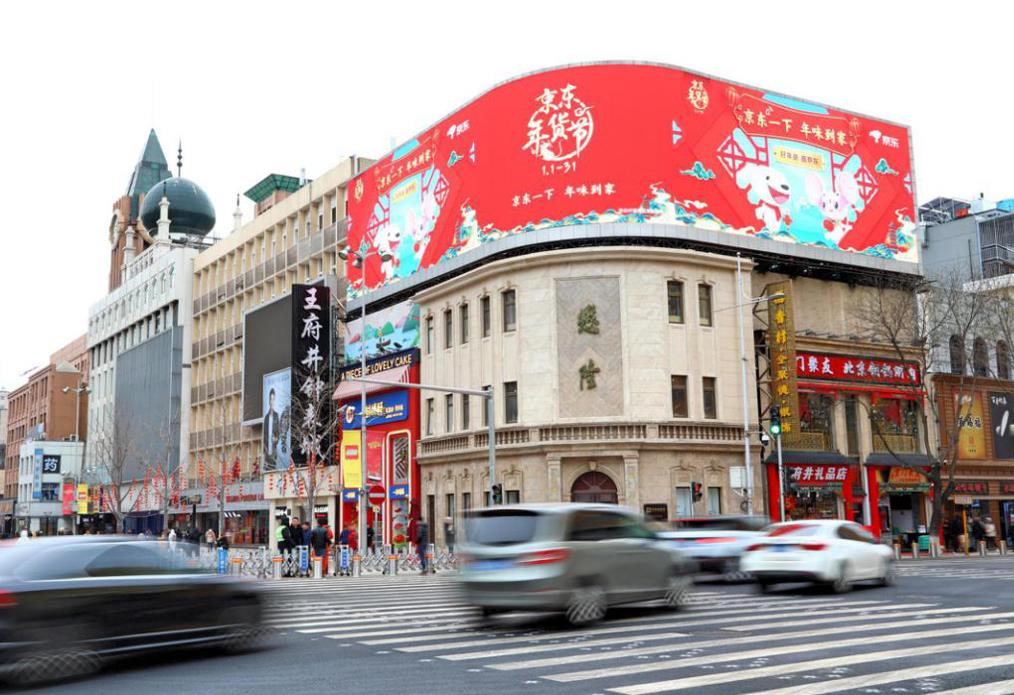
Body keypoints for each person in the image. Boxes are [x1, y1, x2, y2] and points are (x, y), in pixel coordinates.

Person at [263, 388, 280, 470]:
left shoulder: (276, 416)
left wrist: (276, 439)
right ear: (269, 400)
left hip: (273, 449)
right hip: (266, 451)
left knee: (273, 468)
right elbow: (264, 434)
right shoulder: (266, 417)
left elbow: (278, 432)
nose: (272, 401)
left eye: (273, 399)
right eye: (270, 399)